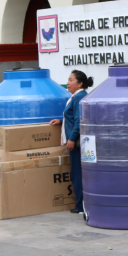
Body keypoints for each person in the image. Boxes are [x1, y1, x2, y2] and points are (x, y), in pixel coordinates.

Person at [49, 70, 93, 214]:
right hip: (76, 140)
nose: (68, 83)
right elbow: (73, 117)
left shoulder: (79, 97)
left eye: (71, 80)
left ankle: (80, 205)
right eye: (68, 80)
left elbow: (79, 120)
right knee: (78, 172)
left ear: (80, 83)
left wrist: (72, 138)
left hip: (77, 142)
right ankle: (81, 203)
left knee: (77, 173)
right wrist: (61, 121)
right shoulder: (77, 96)